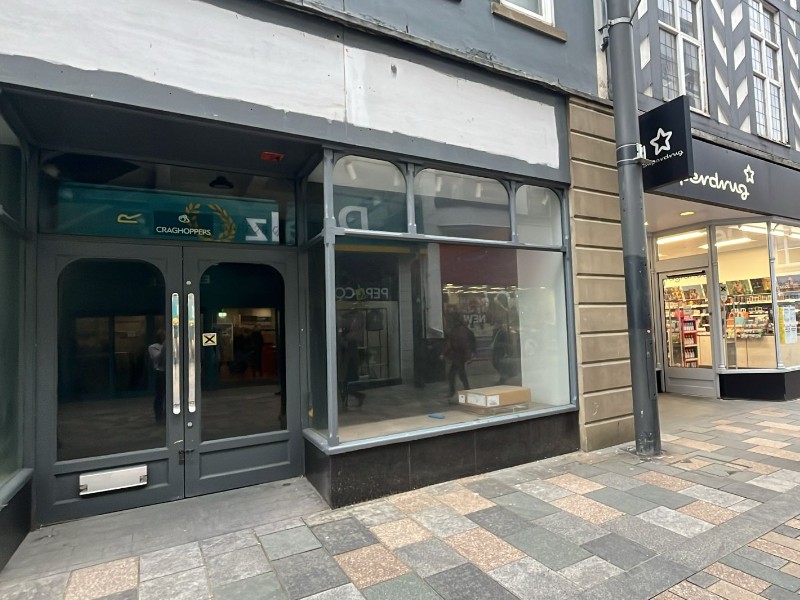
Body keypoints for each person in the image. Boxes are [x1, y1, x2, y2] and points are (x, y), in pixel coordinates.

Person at [443, 313, 476, 399]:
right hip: (460, 355)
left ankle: (454, 391)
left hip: (459, 355)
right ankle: (466, 389)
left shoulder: (458, 330)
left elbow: (461, 344)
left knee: (453, 374)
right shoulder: (461, 329)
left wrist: (445, 353)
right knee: (460, 373)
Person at [338, 309, 366, 408]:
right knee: (344, 383)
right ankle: (346, 401)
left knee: (343, 383)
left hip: (347, 363)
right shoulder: (350, 335)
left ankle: (349, 399)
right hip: (347, 363)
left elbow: (348, 352)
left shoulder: (350, 337)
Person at [148, 330, 166, 422]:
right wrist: (165, 346)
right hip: (160, 372)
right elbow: (157, 357)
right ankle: (159, 416)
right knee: (160, 395)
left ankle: (168, 414)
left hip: (170, 371)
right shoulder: (153, 347)